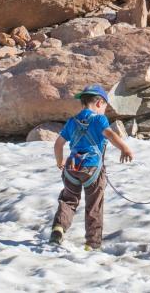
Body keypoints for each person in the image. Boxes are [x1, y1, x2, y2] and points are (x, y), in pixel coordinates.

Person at [48, 84, 134, 250]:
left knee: (68, 200)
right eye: (105, 107)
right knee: (94, 205)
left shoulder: (72, 122)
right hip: (92, 169)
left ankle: (58, 229)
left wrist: (60, 162)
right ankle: (92, 244)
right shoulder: (99, 119)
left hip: (71, 169)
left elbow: (58, 144)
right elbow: (110, 134)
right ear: (100, 103)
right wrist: (125, 148)